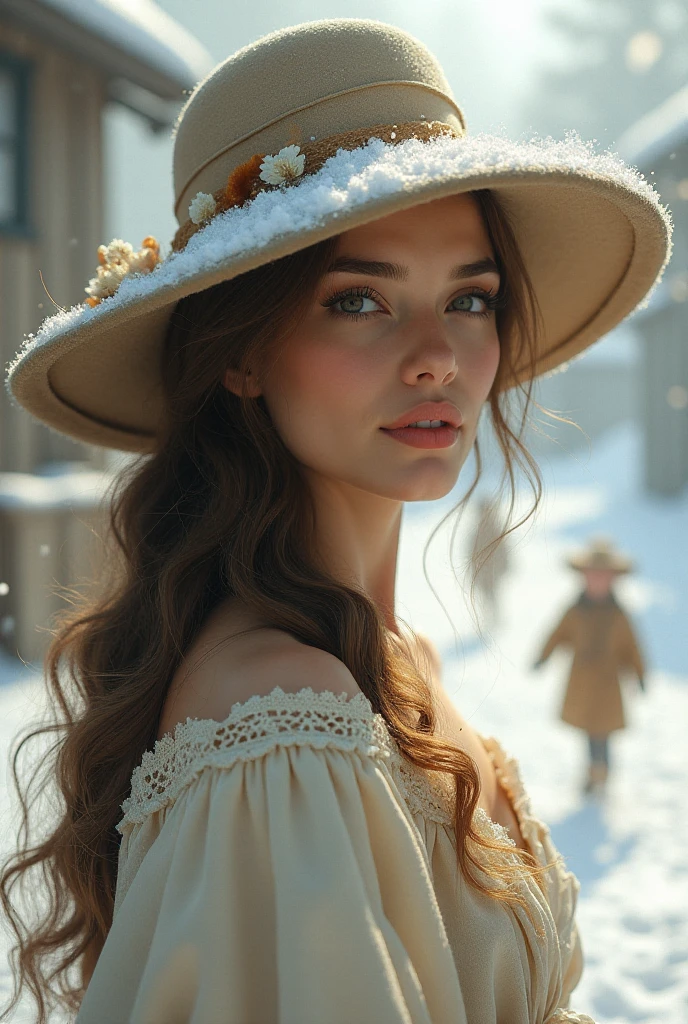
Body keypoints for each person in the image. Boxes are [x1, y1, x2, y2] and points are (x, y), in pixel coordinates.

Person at [0, 18, 670, 1024]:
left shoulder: (387, 665)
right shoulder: (282, 724)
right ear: (242, 353)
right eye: (359, 301)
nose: (438, 354)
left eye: (471, 298)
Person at [533, 537, 646, 794]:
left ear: (613, 579)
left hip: (608, 687)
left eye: (603, 576)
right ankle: (591, 772)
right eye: (593, 575)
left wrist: (640, 674)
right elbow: (558, 633)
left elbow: (632, 647)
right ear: (583, 576)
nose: (597, 581)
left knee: (602, 733)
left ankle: (602, 773)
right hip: (582, 684)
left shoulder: (619, 614)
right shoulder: (575, 610)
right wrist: (544, 655)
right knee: (587, 732)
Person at [469, 497, 511, 627]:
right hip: (483, 571)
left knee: (492, 595)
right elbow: (472, 552)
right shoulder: (478, 530)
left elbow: (503, 550)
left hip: (493, 570)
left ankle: (496, 619)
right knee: (487, 595)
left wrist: (504, 565)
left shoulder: (495, 529)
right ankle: (489, 618)